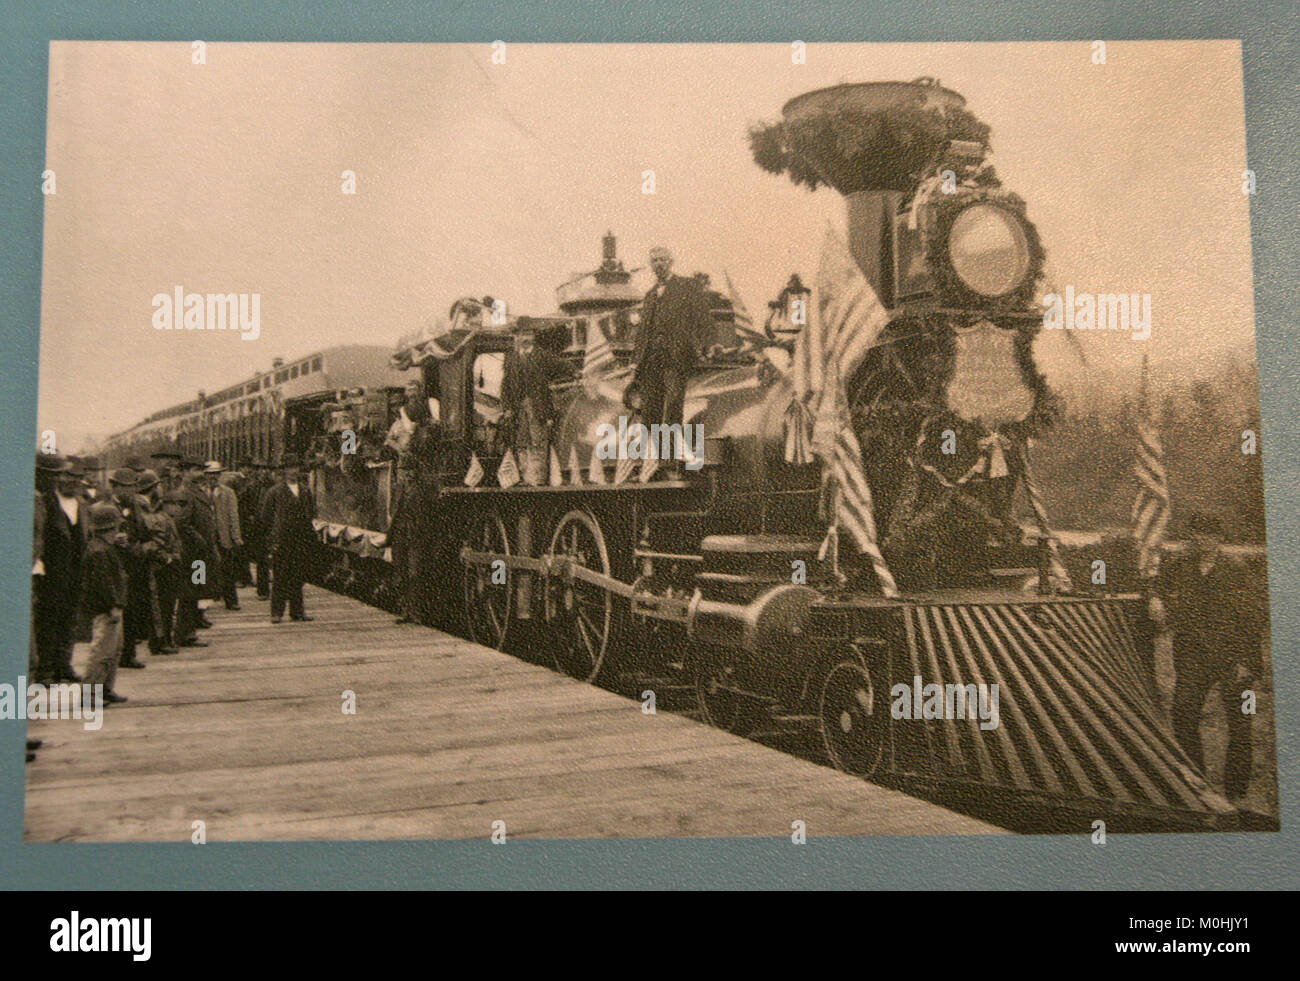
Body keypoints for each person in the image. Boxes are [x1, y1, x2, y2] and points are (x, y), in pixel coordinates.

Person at [1156, 511, 1265, 802]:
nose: (1203, 540)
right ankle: (1198, 784)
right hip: (1193, 655)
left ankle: (1236, 792)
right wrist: (1154, 598)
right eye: (1198, 534)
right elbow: (1155, 583)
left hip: (1234, 656)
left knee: (1241, 723)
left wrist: (1248, 663)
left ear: (1220, 537)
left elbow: (1252, 618)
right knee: (1182, 715)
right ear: (1192, 537)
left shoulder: (1237, 569)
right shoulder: (1180, 566)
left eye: (1209, 534)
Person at [625, 246, 712, 455]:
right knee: (650, 410)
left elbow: (703, 318)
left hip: (675, 359)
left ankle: (670, 456)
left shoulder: (687, 287)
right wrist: (635, 363)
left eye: (662, 260)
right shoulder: (650, 295)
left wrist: (707, 345)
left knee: (673, 406)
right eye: (654, 261)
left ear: (671, 261)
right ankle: (653, 457)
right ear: (651, 265)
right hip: (650, 361)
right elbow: (643, 332)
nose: (659, 264)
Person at [35, 454, 87, 684]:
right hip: (51, 573)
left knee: (69, 619)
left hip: (75, 572)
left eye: (75, 476)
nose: (69, 480)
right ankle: (45, 670)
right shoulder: (45, 501)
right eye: (65, 475)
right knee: (48, 620)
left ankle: (63, 665)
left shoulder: (81, 504)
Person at [394, 399, 441, 624]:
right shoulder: (421, 436)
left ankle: (415, 612)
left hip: (414, 524)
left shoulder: (421, 437)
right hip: (407, 523)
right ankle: (410, 610)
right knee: (407, 570)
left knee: (413, 571)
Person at [80, 501, 129, 705]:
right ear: (112, 527)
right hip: (106, 608)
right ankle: (90, 694)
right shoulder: (100, 551)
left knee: (114, 649)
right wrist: (114, 604)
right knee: (102, 651)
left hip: (110, 606)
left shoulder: (101, 547)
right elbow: (104, 583)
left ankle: (105, 689)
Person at [515, 323, 577, 485]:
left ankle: (537, 479)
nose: (526, 337)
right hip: (518, 407)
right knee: (521, 442)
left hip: (538, 407)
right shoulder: (512, 358)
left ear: (533, 337)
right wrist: (508, 407)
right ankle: (524, 476)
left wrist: (576, 371)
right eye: (523, 334)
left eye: (529, 334)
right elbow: (506, 385)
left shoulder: (543, 356)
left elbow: (562, 365)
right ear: (518, 336)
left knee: (538, 443)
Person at [261, 453, 317, 624]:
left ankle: (297, 612)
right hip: (282, 540)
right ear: (283, 471)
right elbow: (265, 518)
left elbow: (311, 514)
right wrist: (272, 540)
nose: (293, 471)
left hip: (301, 539)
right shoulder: (274, 492)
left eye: (296, 468)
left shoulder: (305, 491)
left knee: (298, 576)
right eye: (289, 468)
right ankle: (276, 612)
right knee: (280, 576)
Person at [107, 468, 153, 670]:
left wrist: (139, 548)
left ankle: (128, 655)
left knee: (133, 611)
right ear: (115, 487)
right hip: (113, 568)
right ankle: (112, 656)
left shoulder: (136, 506)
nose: (131, 491)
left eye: (133, 487)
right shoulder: (105, 508)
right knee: (114, 615)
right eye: (126, 487)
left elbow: (147, 536)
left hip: (135, 567)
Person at [138, 470, 182, 656]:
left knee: (166, 603)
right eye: (158, 485)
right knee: (161, 603)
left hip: (168, 561)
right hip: (162, 563)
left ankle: (164, 638)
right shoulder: (146, 509)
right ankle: (161, 640)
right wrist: (167, 556)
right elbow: (155, 537)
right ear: (153, 488)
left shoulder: (153, 508)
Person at [163, 489, 208, 648]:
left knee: (198, 589)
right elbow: (183, 525)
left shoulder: (199, 495)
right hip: (191, 557)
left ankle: (195, 623)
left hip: (200, 557)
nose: (178, 508)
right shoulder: (185, 505)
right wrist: (200, 540)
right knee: (189, 593)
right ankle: (185, 632)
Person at [213, 466, 244, 610]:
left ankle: (231, 601)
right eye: (208, 474)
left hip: (223, 536)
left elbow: (233, 516)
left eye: (215, 474)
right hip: (204, 538)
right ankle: (199, 609)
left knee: (227, 570)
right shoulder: (199, 492)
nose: (212, 477)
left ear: (219, 475)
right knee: (199, 569)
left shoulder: (228, 493)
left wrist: (236, 536)